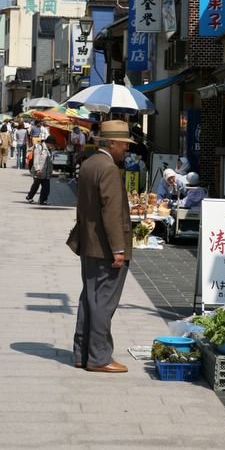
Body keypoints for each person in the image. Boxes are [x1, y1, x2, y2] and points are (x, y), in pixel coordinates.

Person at [72, 119, 135, 373]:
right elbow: (110, 212)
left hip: (88, 243)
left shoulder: (89, 164)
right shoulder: (108, 168)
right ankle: (99, 357)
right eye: (123, 145)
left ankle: (82, 353)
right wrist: (118, 249)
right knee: (102, 302)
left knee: (89, 298)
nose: (126, 150)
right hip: (105, 248)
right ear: (111, 143)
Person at [26, 135, 57, 205]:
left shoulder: (49, 149)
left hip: (46, 172)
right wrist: (37, 169)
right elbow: (36, 159)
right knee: (36, 185)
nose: (52, 146)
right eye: (52, 144)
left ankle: (43, 200)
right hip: (39, 171)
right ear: (48, 142)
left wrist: (50, 171)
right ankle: (30, 196)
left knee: (46, 187)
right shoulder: (39, 148)